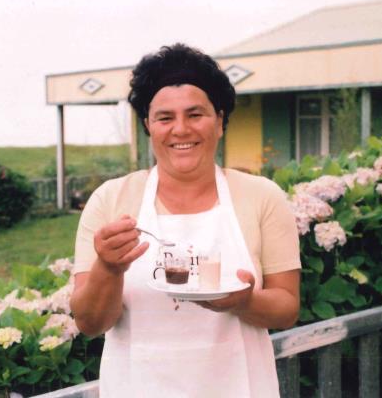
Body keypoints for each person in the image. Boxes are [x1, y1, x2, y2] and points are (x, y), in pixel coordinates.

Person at [70, 43, 301, 397]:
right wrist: (108, 268)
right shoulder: (112, 200)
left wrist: (244, 303)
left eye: (195, 114)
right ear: (148, 125)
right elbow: (89, 322)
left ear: (220, 121)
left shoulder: (262, 196)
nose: (181, 130)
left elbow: (286, 308)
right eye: (165, 118)